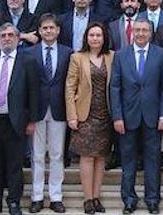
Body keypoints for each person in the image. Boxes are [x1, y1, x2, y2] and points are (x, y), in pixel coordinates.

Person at [0, 23, 39, 215]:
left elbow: (33, 93)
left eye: (11, 35)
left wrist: (32, 120)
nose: (7, 38)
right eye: (3, 35)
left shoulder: (27, 61)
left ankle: (13, 201)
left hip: (15, 122)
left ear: (18, 38)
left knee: (14, 165)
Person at [111, 19, 163, 214]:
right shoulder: (120, 55)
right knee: (127, 161)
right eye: (137, 30)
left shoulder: (161, 54)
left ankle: (152, 199)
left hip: (153, 117)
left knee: (153, 160)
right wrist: (117, 117)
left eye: (145, 30)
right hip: (127, 117)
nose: (141, 33)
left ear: (151, 33)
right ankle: (129, 199)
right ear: (132, 32)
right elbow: (115, 87)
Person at [66, 22, 115, 214]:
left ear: (104, 38)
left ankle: (96, 197)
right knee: (86, 157)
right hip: (84, 114)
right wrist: (72, 115)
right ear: (86, 38)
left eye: (98, 35)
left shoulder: (112, 56)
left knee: (101, 157)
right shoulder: (77, 57)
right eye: (92, 35)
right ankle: (87, 199)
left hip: (105, 113)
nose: (95, 38)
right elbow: (70, 87)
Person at [28, 15, 73, 213]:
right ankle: (37, 196)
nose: (48, 31)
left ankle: (56, 197)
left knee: (56, 154)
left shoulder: (67, 52)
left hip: (58, 108)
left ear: (58, 31)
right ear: (39, 30)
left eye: (51, 28)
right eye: (44, 28)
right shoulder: (30, 53)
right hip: (36, 109)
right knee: (37, 155)